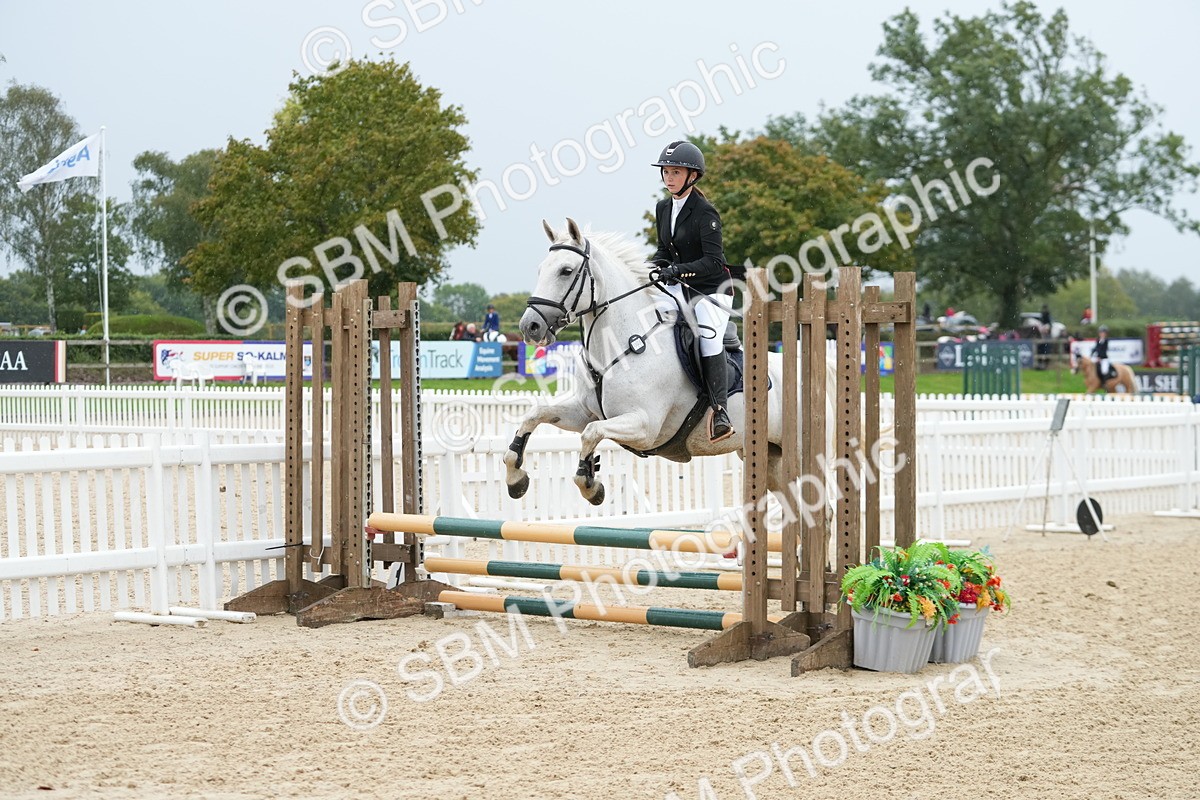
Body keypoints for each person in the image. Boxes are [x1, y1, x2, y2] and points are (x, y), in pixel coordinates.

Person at [648, 140, 735, 443]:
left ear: (692, 176)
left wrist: (677, 270)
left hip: (712, 290)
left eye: (675, 172)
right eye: (666, 172)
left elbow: (713, 262)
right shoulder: (663, 208)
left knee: (708, 338)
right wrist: (655, 266)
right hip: (678, 286)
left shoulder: (705, 212)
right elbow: (664, 250)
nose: (668, 178)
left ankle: (720, 410)